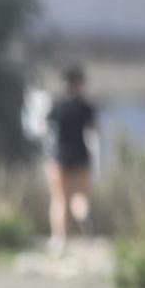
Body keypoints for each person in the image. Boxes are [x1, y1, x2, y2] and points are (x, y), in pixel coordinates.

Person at [44, 64, 100, 254]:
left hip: (59, 156)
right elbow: (93, 134)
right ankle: (84, 215)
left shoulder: (57, 106)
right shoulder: (86, 107)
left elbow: (46, 130)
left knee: (59, 198)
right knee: (79, 197)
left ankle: (59, 238)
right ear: (79, 84)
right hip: (81, 156)